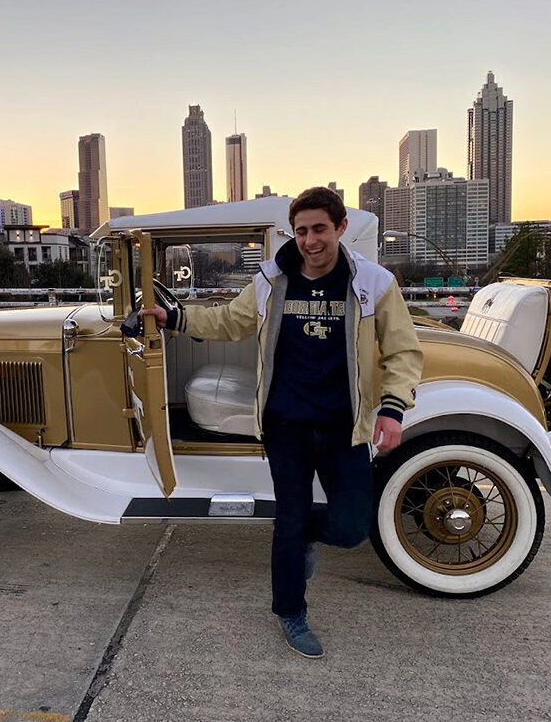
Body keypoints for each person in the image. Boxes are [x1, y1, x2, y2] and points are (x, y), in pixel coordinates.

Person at [142, 187, 422, 658]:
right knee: (288, 522)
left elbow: (403, 351)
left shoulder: (373, 283)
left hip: (344, 427)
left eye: (319, 229)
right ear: (292, 233)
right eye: (302, 231)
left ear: (340, 229)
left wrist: (393, 409)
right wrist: (174, 318)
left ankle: (309, 536)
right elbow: (231, 322)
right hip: (285, 425)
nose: (310, 241)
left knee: (353, 527)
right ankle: (290, 612)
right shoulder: (272, 279)